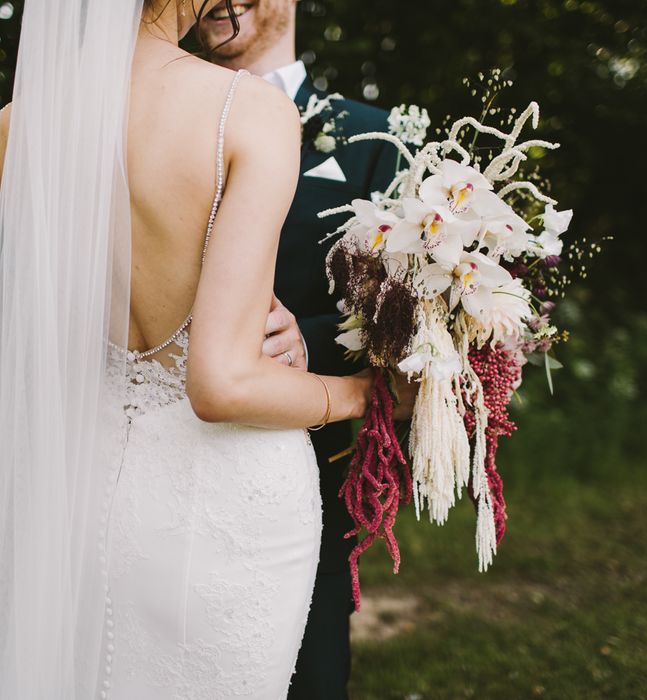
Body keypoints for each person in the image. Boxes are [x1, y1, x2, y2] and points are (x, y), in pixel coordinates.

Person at [0, 1, 410, 698]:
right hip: (225, 496)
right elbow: (220, 384)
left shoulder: (17, 125)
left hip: (78, 487)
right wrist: (374, 398)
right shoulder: (244, 111)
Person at [199, 3, 401, 697]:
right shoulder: (154, 122)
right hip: (165, 457)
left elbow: (416, 315)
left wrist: (309, 342)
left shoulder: (379, 139)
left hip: (305, 479)